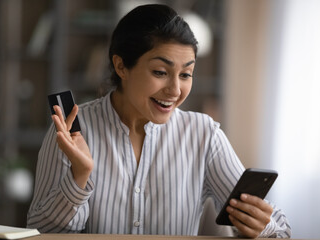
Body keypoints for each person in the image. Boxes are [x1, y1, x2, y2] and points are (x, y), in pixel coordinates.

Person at [27, 4, 291, 238]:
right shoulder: (72, 129)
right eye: (160, 72)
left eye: (186, 74)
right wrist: (79, 177)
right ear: (121, 67)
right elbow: (40, 231)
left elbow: (280, 228)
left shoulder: (203, 135)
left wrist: (262, 227)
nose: (175, 90)